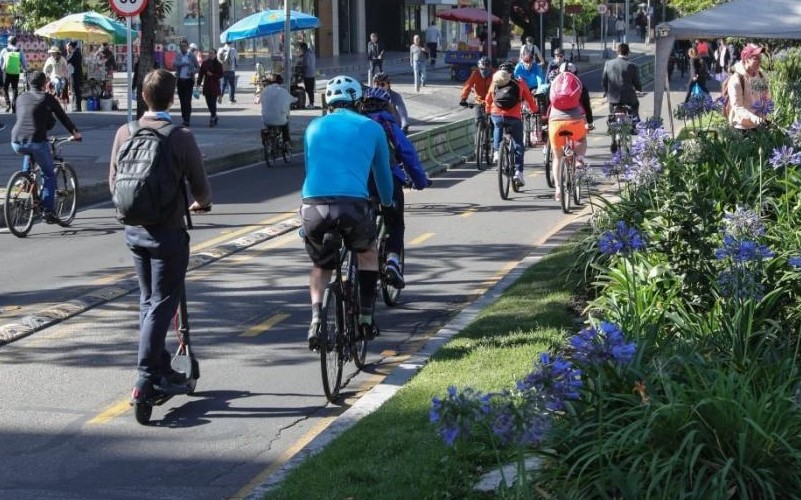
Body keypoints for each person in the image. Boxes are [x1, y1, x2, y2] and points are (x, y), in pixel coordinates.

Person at [109, 68, 211, 396]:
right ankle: (145, 373)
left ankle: (160, 363)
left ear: (143, 96)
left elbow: (114, 180)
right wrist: (199, 204)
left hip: (134, 229)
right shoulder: (180, 136)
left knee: (148, 300)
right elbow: (201, 187)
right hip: (168, 232)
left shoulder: (125, 132)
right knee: (164, 302)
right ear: (173, 98)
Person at [301, 75, 394, 350]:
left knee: (321, 265)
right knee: (366, 253)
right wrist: (387, 203)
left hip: (313, 207)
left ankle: (317, 317)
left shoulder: (312, 126)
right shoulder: (371, 127)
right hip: (352, 206)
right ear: (358, 101)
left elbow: (310, 171)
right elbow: (382, 175)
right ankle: (365, 316)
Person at [360, 87, 430, 288]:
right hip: (388, 180)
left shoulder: (357, 125)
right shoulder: (389, 125)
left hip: (359, 183)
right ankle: (392, 261)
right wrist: (420, 180)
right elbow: (407, 154)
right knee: (396, 223)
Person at [10, 71, 81, 224]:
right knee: (48, 174)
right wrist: (75, 133)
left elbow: (24, 115)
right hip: (36, 140)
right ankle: (48, 211)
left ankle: (25, 179)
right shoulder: (47, 98)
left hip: (16, 140)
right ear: (44, 84)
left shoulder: (20, 97)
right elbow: (62, 116)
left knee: (28, 150)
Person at [485, 62, 538, 186]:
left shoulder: (495, 82)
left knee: (497, 127)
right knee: (518, 143)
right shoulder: (520, 82)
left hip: (496, 114)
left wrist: (488, 111)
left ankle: (497, 151)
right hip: (514, 116)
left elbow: (488, 98)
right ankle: (518, 172)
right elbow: (529, 99)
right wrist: (535, 110)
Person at [547, 70, 589, 203]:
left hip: (555, 123)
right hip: (575, 121)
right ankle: (579, 160)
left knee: (557, 157)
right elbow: (585, 105)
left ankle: (558, 188)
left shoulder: (553, 85)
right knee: (581, 139)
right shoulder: (578, 85)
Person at [726, 43, 769, 132]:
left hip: (760, 125)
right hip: (742, 128)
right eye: (756, 58)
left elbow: (766, 97)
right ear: (746, 59)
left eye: (760, 57)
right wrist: (755, 119)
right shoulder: (737, 79)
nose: (760, 61)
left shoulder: (761, 75)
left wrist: (766, 113)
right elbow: (737, 107)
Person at [602, 43, 642, 123]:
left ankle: (612, 119)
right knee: (636, 105)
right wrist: (639, 89)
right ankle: (635, 124)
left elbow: (604, 80)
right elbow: (637, 82)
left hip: (613, 97)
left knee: (611, 108)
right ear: (628, 53)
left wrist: (606, 91)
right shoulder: (632, 66)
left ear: (617, 52)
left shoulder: (608, 64)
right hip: (629, 98)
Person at [261, 73, 296, 146]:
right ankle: (286, 141)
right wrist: (296, 99)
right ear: (280, 82)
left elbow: (260, 100)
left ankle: (268, 139)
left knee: (268, 124)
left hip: (266, 119)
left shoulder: (265, 90)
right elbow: (292, 99)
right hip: (279, 119)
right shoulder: (283, 91)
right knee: (285, 123)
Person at [459, 56, 494, 126]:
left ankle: (494, 137)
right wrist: (464, 98)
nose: (484, 71)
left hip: (491, 101)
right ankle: (478, 133)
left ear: (490, 68)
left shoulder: (494, 74)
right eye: (482, 69)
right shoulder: (475, 73)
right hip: (479, 100)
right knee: (478, 120)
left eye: (486, 69)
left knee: (494, 122)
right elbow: (468, 85)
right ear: (479, 68)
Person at [0, 36, 28, 113]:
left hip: (6, 72)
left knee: (5, 88)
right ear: (16, 42)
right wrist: (26, 70)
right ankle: (14, 106)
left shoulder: (4, 50)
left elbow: (0, 62)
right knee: (15, 89)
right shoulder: (19, 50)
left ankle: (8, 104)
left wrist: (2, 69)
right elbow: (24, 63)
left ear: (8, 42)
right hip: (16, 72)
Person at [174, 40, 199, 127]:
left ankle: (187, 119)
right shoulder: (178, 56)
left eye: (184, 46)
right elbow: (175, 64)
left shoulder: (191, 56)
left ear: (187, 47)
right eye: (181, 46)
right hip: (180, 80)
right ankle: (184, 117)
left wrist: (192, 72)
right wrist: (181, 64)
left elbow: (198, 67)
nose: (183, 48)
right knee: (182, 101)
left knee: (187, 100)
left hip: (189, 80)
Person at [197, 48, 223, 127]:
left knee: (213, 102)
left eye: (212, 53)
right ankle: (214, 115)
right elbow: (201, 74)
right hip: (207, 86)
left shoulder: (218, 64)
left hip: (215, 86)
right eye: (209, 53)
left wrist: (212, 75)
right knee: (208, 103)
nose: (210, 55)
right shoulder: (205, 63)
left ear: (215, 54)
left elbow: (221, 75)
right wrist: (198, 83)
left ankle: (212, 117)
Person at [296, 42, 316, 108]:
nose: (300, 50)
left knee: (309, 89)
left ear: (303, 48)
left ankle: (311, 103)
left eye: (300, 48)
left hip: (308, 74)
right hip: (312, 73)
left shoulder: (306, 55)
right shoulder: (311, 53)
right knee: (310, 89)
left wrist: (300, 68)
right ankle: (312, 102)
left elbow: (305, 65)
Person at [66, 41, 83, 112]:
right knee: (76, 90)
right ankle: (77, 106)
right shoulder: (76, 52)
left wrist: (68, 53)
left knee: (76, 90)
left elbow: (68, 60)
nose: (67, 48)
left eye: (67, 46)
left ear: (70, 46)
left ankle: (77, 107)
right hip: (76, 73)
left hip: (76, 73)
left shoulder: (75, 53)